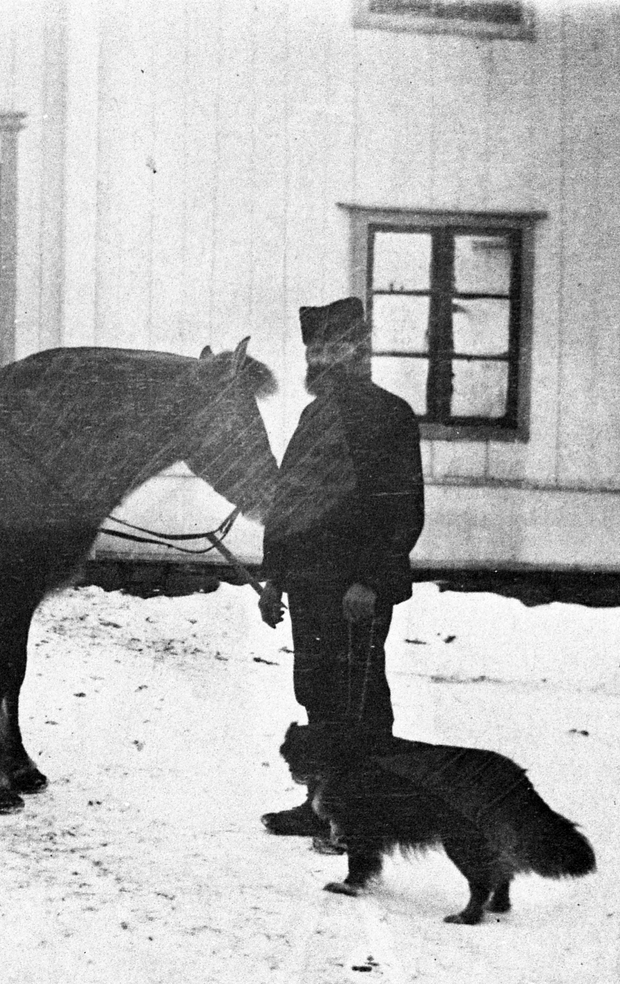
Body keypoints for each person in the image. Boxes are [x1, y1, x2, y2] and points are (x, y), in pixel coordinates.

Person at [258, 296, 425, 841]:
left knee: (360, 696)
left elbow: (401, 508)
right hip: (308, 584)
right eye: (314, 348)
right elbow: (290, 502)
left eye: (334, 346)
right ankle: (324, 804)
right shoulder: (314, 415)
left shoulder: (389, 415)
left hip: (354, 589)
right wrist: (274, 578)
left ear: (358, 350)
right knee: (316, 690)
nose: (322, 358)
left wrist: (370, 580)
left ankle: (366, 817)